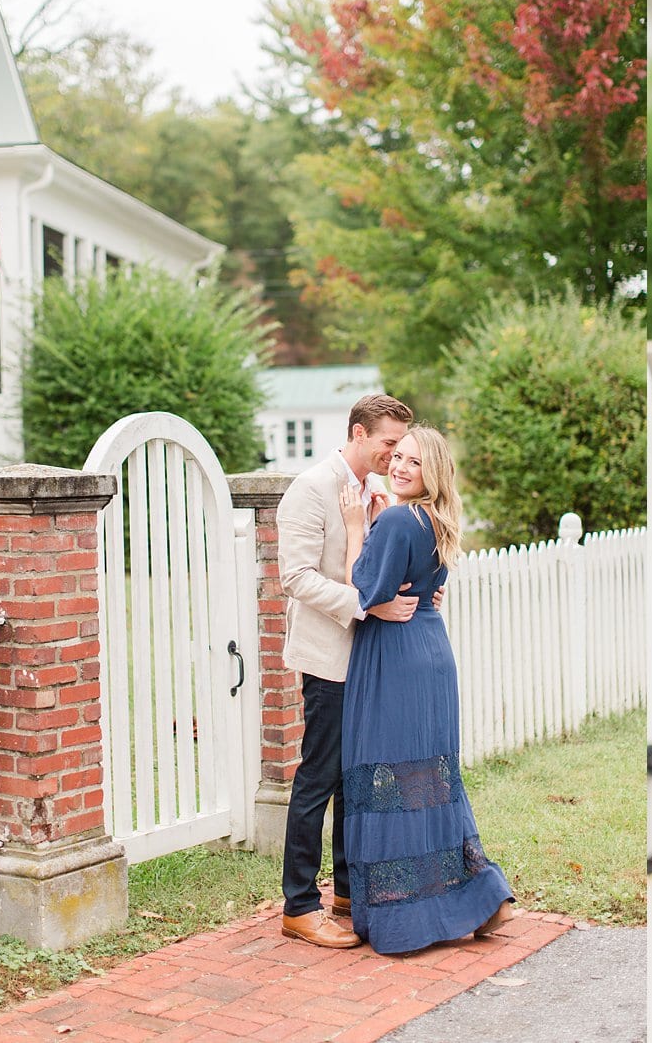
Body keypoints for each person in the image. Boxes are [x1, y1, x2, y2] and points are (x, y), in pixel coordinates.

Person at [337, 424, 514, 953]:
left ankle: (409, 917)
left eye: (413, 462)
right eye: (398, 457)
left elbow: (361, 590)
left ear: (431, 472)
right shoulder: (436, 520)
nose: (399, 466)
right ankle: (480, 896)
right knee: (431, 783)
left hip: (394, 659)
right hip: (431, 653)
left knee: (389, 783)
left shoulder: (395, 518)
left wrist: (354, 528)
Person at [277, 394, 421, 949]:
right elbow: (295, 578)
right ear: (359, 433)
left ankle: (346, 892)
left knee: (355, 778)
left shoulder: (374, 493)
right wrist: (367, 605)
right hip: (329, 658)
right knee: (319, 776)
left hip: (369, 660)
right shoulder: (310, 488)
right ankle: (299, 905)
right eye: (388, 444)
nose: (394, 455)